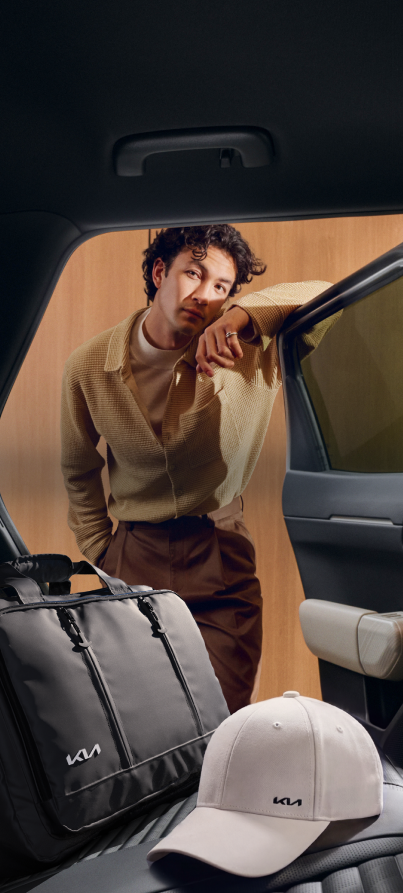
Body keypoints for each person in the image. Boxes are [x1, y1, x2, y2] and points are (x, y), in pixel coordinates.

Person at [60, 225, 331, 712]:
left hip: (219, 552)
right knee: (133, 717)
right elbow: (79, 470)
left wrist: (240, 317)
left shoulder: (249, 347)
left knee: (222, 716)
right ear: (161, 272)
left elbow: (326, 296)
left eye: (221, 287)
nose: (204, 295)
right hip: (132, 556)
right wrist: (102, 551)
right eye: (194, 273)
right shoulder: (87, 366)